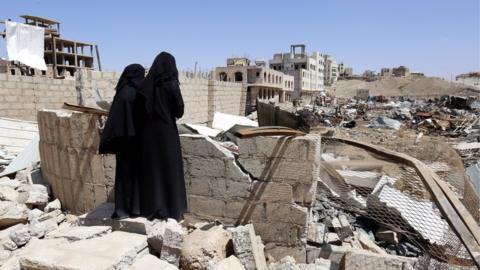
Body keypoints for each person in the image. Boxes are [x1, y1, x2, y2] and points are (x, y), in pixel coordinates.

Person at [136, 52, 187, 221]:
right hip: (167, 133)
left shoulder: (145, 84)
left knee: (153, 171)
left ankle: (152, 208)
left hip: (148, 135)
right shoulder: (171, 84)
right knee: (169, 170)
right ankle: (172, 209)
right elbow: (180, 110)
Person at [99, 63, 145, 219]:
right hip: (135, 142)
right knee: (136, 176)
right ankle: (135, 209)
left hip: (122, 142)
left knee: (123, 175)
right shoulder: (136, 93)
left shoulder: (120, 93)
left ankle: (121, 209)